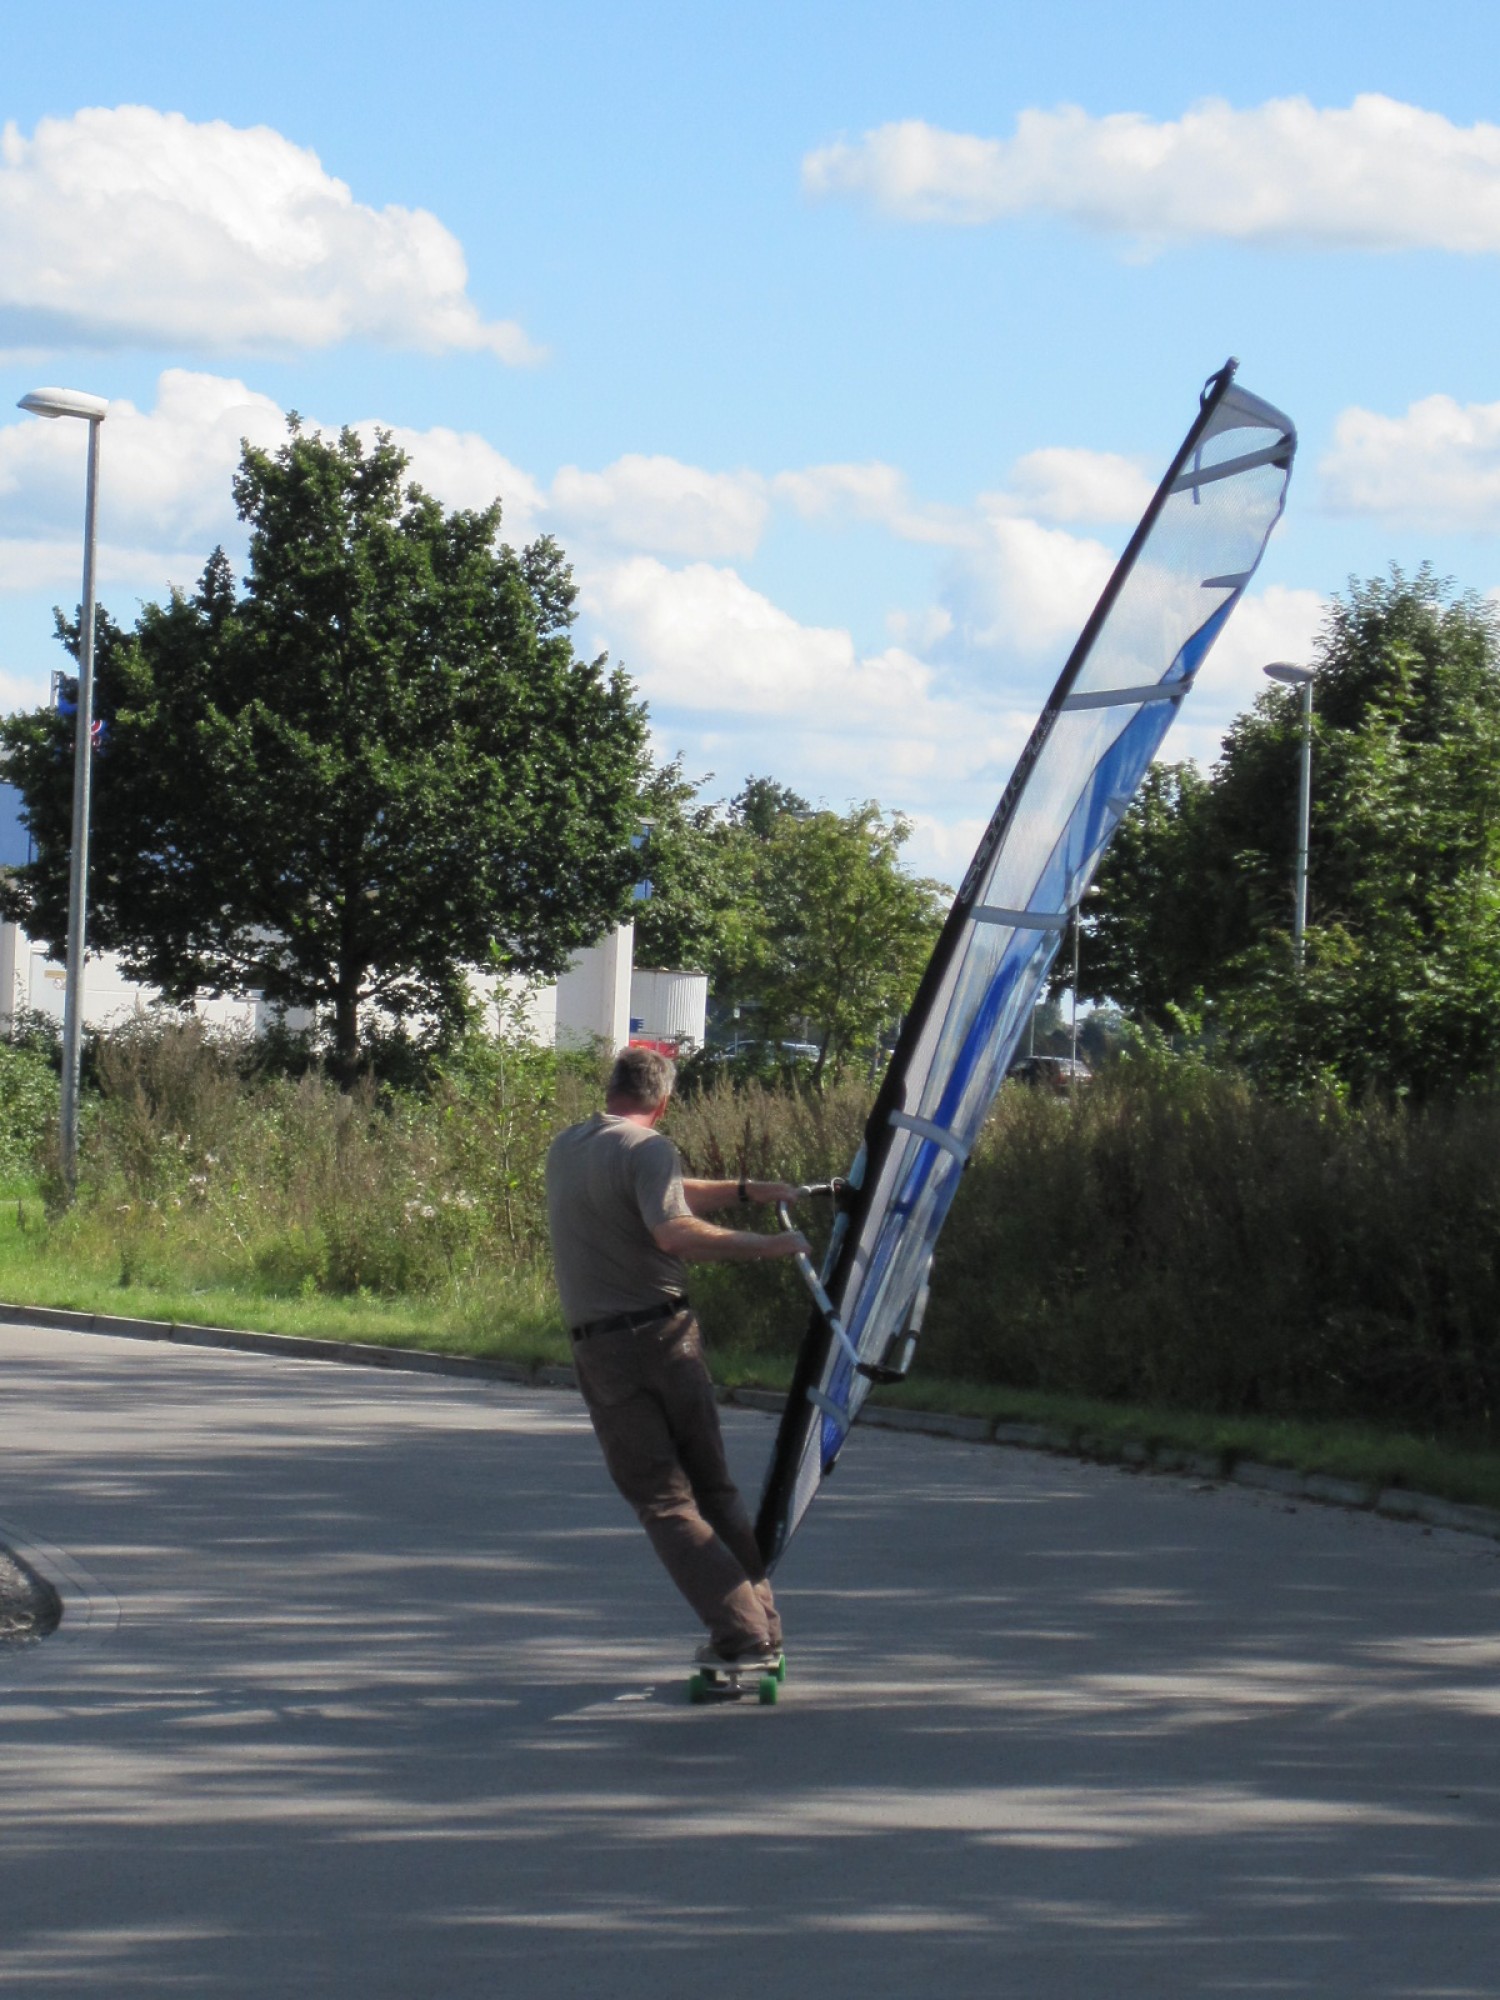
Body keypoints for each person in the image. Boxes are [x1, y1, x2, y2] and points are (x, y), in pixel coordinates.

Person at [545, 1045, 810, 1666]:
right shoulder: (650, 1151)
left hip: (608, 1348)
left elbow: (664, 1200)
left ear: (611, 1089)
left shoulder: (568, 1146)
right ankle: (760, 1624)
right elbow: (672, 1226)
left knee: (665, 1501)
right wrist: (769, 1245)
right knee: (712, 1488)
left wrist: (747, 1191)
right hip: (669, 1336)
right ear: (663, 1103)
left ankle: (742, 1631)